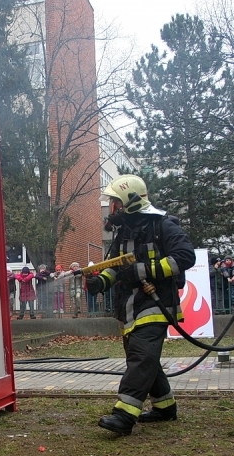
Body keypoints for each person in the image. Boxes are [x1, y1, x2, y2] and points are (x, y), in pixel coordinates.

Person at [85, 175, 196, 436]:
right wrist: (99, 282)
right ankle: (165, 406)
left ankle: (124, 415)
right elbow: (117, 268)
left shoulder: (162, 226)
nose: (112, 209)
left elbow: (185, 256)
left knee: (142, 356)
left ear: (130, 202)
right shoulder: (123, 232)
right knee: (145, 359)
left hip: (157, 302)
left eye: (115, 203)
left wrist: (145, 269)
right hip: (130, 306)